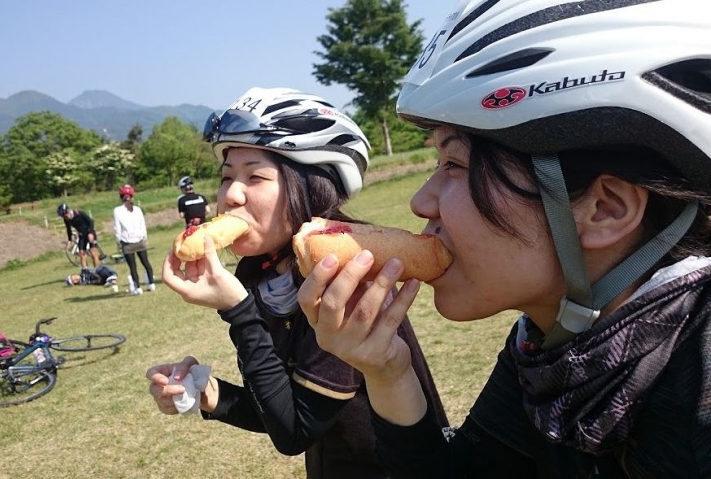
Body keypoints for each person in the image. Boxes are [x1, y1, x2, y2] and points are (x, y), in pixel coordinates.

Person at [297, 1, 711, 477]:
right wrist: (387, 370)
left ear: (604, 210)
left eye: (454, 165)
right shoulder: (552, 340)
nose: (421, 203)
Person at [145, 87, 447, 478]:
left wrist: (238, 311)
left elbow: (295, 432)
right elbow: (282, 406)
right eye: (226, 178)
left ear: (310, 185)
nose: (230, 195)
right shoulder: (262, 272)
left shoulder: (342, 274)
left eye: (254, 176)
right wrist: (205, 392)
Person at [112, 184, 155, 295]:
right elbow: (143, 225)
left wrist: (118, 241)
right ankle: (151, 283)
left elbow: (118, 228)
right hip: (140, 240)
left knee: (133, 267)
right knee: (146, 263)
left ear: (121, 197)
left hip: (127, 242)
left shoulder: (117, 211)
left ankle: (138, 288)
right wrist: (145, 237)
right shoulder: (137, 209)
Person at [57, 203, 103, 268]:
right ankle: (85, 272)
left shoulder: (79, 213)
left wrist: (90, 233)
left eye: (65, 216)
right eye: (63, 217)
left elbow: (91, 221)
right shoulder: (66, 219)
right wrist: (70, 240)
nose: (65, 218)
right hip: (82, 235)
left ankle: (98, 271)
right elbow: (68, 229)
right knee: (81, 253)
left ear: (68, 211)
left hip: (90, 232)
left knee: (93, 252)